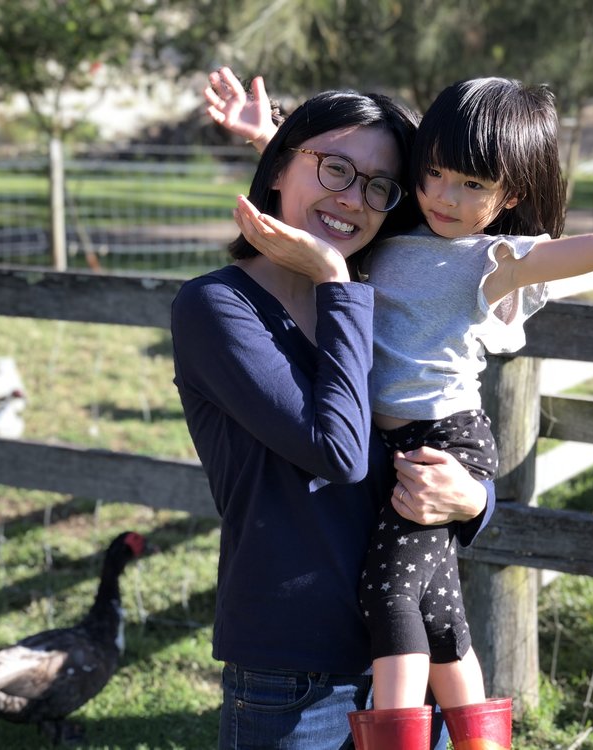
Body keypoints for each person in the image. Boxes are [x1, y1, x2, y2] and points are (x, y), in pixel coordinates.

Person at [206, 70, 593, 750]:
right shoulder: (396, 230)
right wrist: (269, 137)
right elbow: (336, 188)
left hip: (445, 442)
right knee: (439, 610)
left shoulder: (491, 262)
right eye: (434, 174)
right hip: (398, 451)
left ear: (507, 196)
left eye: (473, 186)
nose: (446, 197)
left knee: (392, 598)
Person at [173, 81, 497, 750]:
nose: (353, 198)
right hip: (296, 674)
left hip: (411, 660)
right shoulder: (218, 310)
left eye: (379, 185)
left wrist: (475, 500)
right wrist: (332, 279)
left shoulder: (384, 300)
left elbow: (446, 432)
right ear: (278, 168)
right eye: (335, 169)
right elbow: (339, 450)